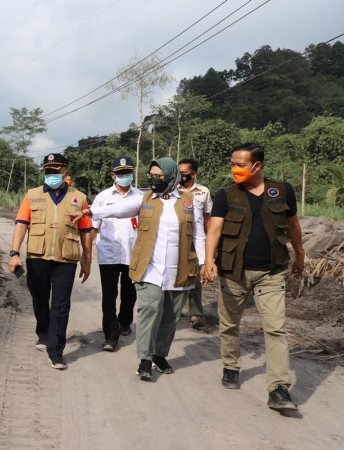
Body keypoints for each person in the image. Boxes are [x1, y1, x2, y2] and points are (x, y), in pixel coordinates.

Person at [71, 157, 204, 380]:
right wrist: (88, 213)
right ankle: (145, 359)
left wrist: (205, 262)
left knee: (170, 317)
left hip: (180, 268)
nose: (153, 179)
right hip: (150, 268)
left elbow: (199, 234)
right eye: (150, 175)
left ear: (172, 176)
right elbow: (118, 209)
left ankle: (160, 355)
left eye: (158, 176)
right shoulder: (145, 199)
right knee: (149, 311)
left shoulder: (189, 202)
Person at [201, 143, 305, 412]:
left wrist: (300, 255)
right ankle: (231, 366)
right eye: (233, 164)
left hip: (272, 271)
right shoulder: (226, 195)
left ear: (257, 166)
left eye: (241, 165)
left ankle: (278, 388)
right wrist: (208, 260)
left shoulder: (282, 191)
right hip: (234, 271)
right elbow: (214, 230)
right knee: (230, 324)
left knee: (275, 328)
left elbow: (293, 225)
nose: (235, 169)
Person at [8, 153, 94, 370]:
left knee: (61, 305)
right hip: (37, 258)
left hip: (66, 260)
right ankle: (43, 332)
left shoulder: (80, 198)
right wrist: (14, 253)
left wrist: (87, 259)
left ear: (66, 171)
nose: (51, 174)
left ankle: (56, 350)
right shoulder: (32, 195)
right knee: (39, 299)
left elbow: (85, 231)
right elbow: (21, 224)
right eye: (48, 171)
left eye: (55, 170)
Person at [90, 156, 143, 352]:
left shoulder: (141, 197)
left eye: (128, 173)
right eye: (121, 173)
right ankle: (111, 337)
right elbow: (94, 226)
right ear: (113, 175)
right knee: (109, 296)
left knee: (130, 294)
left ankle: (125, 322)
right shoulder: (103, 198)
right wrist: (86, 253)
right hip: (109, 254)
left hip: (133, 254)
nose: (125, 176)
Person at [178, 158, 212, 330]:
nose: (180, 176)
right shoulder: (173, 190)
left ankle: (196, 313)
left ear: (193, 174)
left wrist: (209, 245)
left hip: (196, 241)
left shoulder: (203, 192)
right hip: (177, 241)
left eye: (184, 174)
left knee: (195, 278)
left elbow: (207, 219)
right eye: (179, 173)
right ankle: (172, 312)